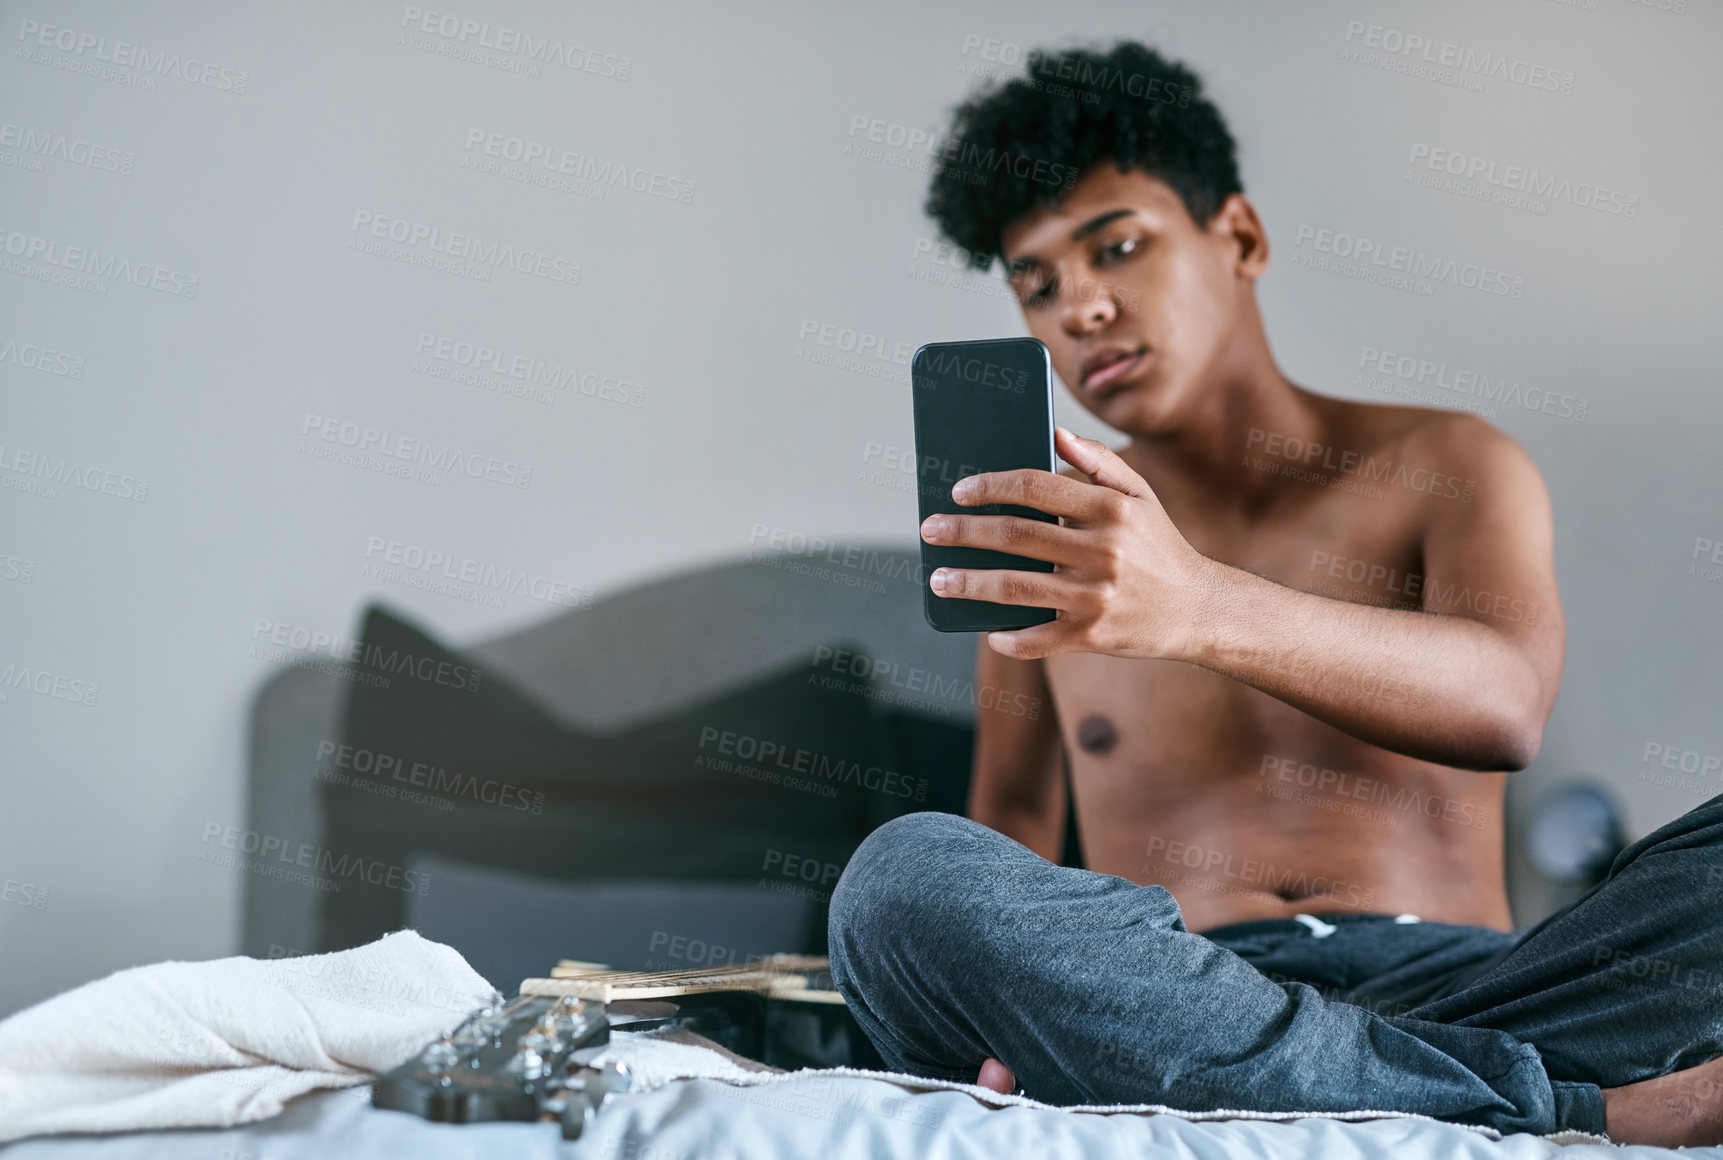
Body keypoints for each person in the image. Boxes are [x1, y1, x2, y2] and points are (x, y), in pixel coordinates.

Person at [827, 41, 1723, 1146]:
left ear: (1238, 236)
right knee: (899, 880)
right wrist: (985, 1017)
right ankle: (1567, 1110)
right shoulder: (1049, 548)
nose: (1083, 310)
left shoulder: (1448, 463)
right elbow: (1003, 839)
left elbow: (1504, 706)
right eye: (1039, 284)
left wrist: (1199, 603)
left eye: (1116, 247)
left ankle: (1387, 1078)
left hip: (1484, 986)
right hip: (1191, 993)